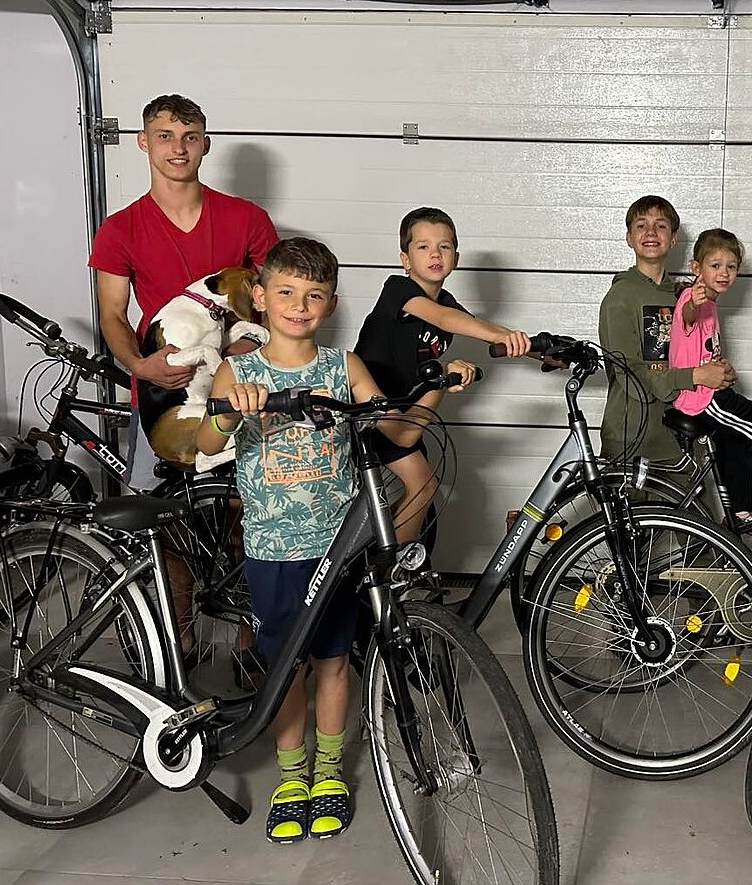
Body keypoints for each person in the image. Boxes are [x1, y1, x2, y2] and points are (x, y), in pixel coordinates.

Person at [195, 237, 479, 844]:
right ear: (262, 297)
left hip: (337, 549)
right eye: (288, 293)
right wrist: (228, 411)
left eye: (315, 295)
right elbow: (206, 444)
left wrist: (437, 382)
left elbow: (396, 429)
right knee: (285, 665)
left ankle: (328, 775)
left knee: (331, 662)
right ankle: (290, 776)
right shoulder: (240, 369)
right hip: (273, 549)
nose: (300, 306)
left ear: (328, 304)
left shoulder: (341, 368)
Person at [89, 93, 277, 682]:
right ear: (143, 143)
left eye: (189, 135)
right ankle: (181, 640)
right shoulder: (121, 229)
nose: (178, 147)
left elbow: (279, 293)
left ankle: (253, 640)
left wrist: (250, 345)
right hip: (164, 393)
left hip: (238, 389)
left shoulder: (245, 218)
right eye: (165, 136)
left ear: (205, 143)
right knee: (165, 520)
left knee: (250, 510)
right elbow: (114, 316)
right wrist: (138, 369)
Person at [353, 207, 530, 548]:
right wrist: (501, 336)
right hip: (368, 408)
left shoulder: (446, 301)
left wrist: (542, 349)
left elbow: (485, 329)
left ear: (456, 258)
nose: (435, 253)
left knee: (422, 485)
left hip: (405, 409)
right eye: (423, 247)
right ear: (405, 259)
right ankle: (388, 576)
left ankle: (392, 574)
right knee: (420, 484)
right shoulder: (398, 290)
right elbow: (448, 320)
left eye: (444, 247)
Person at [598, 195, 733, 464]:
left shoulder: (687, 297)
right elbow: (630, 375)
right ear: (628, 238)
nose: (650, 232)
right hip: (631, 440)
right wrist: (695, 376)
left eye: (660, 225)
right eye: (641, 225)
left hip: (681, 439)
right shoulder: (620, 297)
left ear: (673, 240)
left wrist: (720, 373)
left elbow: (702, 355)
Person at [668, 228, 752, 519]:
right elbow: (686, 316)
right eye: (715, 266)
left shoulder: (712, 304)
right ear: (696, 268)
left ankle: (738, 514)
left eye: (731, 267)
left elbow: (700, 348)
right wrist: (693, 302)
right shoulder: (693, 297)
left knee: (738, 442)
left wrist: (724, 366)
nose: (724, 272)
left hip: (714, 391)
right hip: (701, 399)